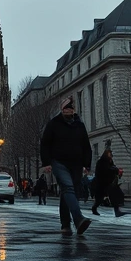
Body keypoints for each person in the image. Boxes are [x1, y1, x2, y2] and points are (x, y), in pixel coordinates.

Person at [39, 97, 93, 235]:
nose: (68, 110)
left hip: (76, 163)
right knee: (68, 188)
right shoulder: (53, 124)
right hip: (59, 162)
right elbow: (45, 144)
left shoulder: (79, 125)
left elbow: (86, 145)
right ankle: (78, 219)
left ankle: (65, 224)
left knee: (68, 192)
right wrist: (46, 163)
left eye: (70, 108)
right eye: (65, 108)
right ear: (62, 110)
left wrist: (87, 164)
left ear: (73, 110)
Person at [91, 149, 126, 217]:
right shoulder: (101, 162)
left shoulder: (110, 162)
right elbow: (102, 172)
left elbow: (113, 169)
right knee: (99, 199)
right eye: (109, 153)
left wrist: (117, 171)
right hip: (102, 183)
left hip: (110, 183)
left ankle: (117, 211)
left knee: (115, 196)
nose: (110, 155)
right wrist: (112, 170)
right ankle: (94, 208)